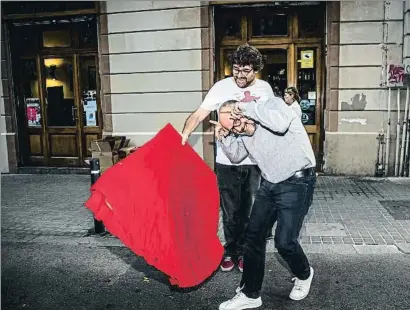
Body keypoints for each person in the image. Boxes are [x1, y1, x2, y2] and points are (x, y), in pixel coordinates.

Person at [211, 98, 316, 310]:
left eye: (235, 123)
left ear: (240, 111)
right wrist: (223, 138)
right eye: (230, 129)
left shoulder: (271, 106)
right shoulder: (239, 132)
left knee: (285, 243)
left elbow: (280, 125)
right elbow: (236, 155)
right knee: (253, 237)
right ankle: (250, 294)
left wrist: (248, 108)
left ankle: (304, 273)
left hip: (297, 182)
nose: (237, 130)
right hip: (269, 184)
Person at [181, 44, 274, 273]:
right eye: (236, 69)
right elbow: (199, 113)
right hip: (226, 162)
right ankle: (230, 251)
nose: (240, 76)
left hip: (253, 162)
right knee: (230, 211)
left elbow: (271, 123)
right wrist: (183, 135)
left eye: (246, 71)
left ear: (256, 70)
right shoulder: (221, 87)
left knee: (250, 212)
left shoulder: (265, 89)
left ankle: (244, 252)